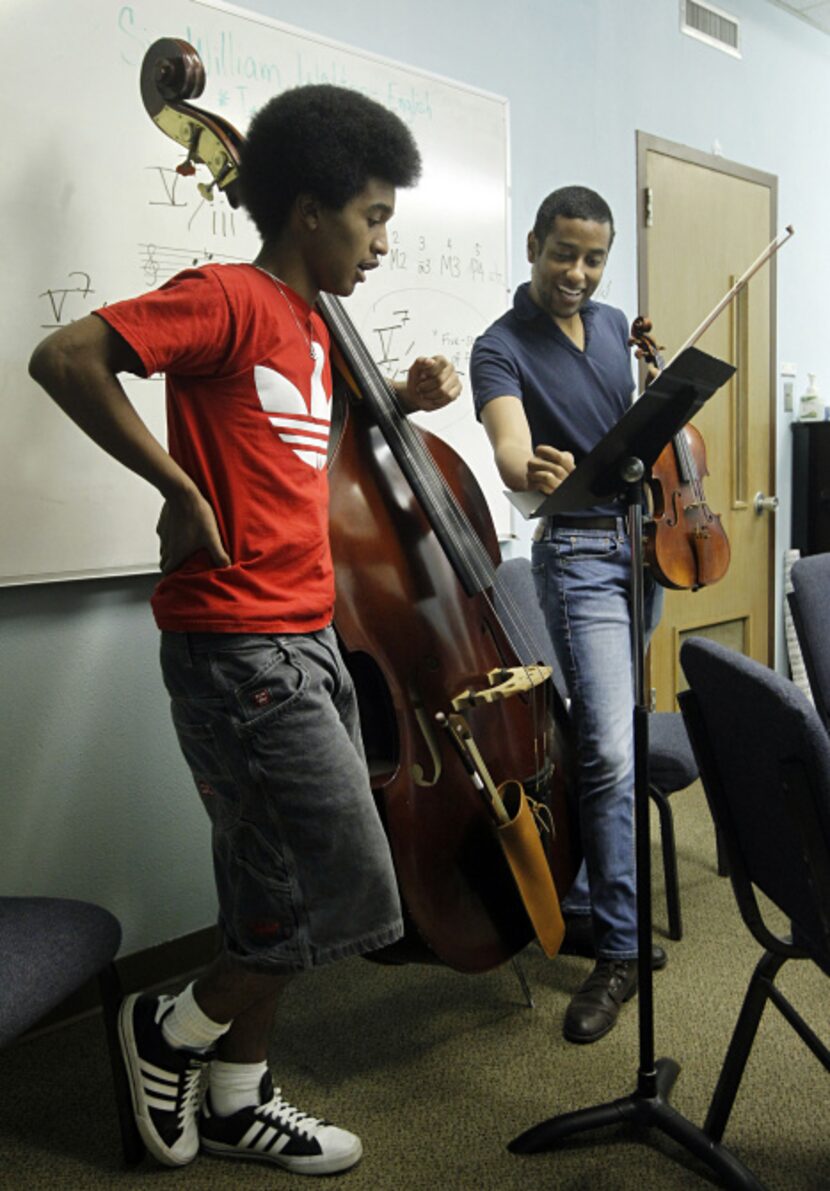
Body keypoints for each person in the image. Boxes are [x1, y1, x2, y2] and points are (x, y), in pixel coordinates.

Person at [29, 84, 459, 1174]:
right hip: (238, 650)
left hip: (305, 634)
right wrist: (173, 484)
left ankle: (233, 1098)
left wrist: (396, 402)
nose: (379, 242)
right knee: (345, 885)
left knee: (268, 889)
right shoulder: (225, 297)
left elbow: (288, 442)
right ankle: (166, 1029)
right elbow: (67, 357)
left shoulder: (311, 329)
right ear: (308, 210)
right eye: (370, 217)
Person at [469, 185, 664, 1045]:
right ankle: (618, 950)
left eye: (593, 259)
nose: (577, 274)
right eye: (563, 254)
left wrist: (655, 382)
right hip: (579, 557)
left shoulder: (617, 324)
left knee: (605, 733)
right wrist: (529, 470)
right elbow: (510, 447)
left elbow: (630, 438)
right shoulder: (499, 347)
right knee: (612, 753)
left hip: (644, 547)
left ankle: (584, 903)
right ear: (533, 244)